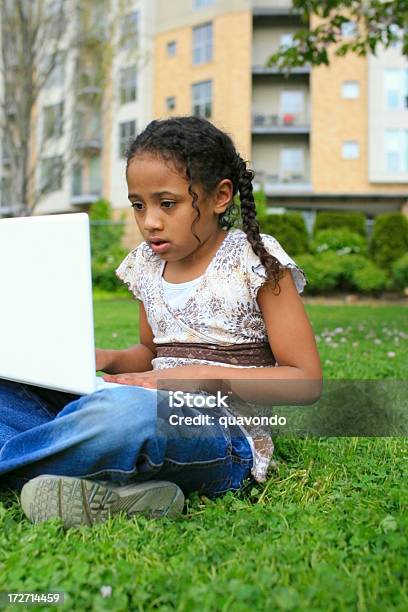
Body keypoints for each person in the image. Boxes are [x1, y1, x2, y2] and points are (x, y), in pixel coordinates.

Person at [0, 116, 322, 528]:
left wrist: (195, 377)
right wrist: (105, 359)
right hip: (135, 402)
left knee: (124, 418)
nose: (149, 220)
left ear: (220, 196)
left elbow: (306, 381)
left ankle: (61, 455)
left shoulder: (256, 263)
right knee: (12, 386)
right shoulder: (146, 266)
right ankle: (118, 490)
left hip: (220, 434)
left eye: (167, 204)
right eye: (138, 205)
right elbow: (150, 354)